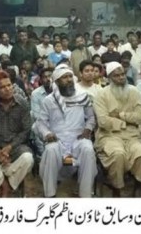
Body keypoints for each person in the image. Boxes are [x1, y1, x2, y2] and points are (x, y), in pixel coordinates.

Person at [33, 66, 96, 198]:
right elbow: (41, 123)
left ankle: (85, 194)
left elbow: (90, 117)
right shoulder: (49, 100)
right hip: (58, 140)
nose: (68, 80)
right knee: (50, 150)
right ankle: (50, 194)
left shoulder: (82, 96)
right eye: (64, 77)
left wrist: (88, 129)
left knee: (88, 149)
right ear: (56, 82)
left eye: (69, 77)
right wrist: (47, 134)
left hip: (78, 139)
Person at [93, 62, 141, 196]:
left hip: (132, 136)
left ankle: (139, 184)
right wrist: (127, 123)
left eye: (123, 74)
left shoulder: (134, 91)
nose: (121, 78)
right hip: (109, 137)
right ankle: (116, 188)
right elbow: (103, 121)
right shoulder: (101, 94)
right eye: (117, 76)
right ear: (109, 78)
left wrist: (120, 115)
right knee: (118, 155)